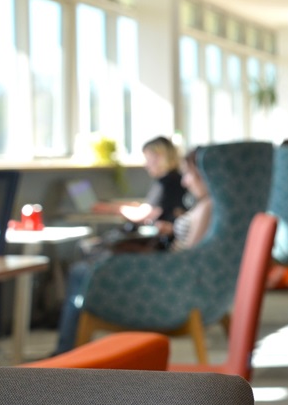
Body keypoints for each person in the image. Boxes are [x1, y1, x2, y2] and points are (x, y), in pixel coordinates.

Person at [52, 147, 213, 353]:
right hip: (168, 269)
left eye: (189, 174)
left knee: (82, 271)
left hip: (165, 278)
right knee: (89, 263)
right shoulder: (207, 205)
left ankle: (65, 350)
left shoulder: (204, 205)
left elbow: (188, 258)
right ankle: (67, 348)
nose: (184, 181)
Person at [91, 136, 187, 226]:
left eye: (148, 159)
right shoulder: (171, 179)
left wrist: (111, 209)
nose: (146, 165)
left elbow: (147, 214)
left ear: (160, 157)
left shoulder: (168, 183)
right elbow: (150, 207)